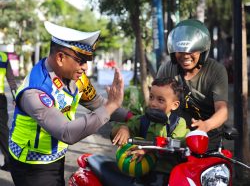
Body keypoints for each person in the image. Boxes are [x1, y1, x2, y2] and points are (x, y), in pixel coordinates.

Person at [8, 21, 129, 186]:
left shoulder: (76, 77)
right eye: (81, 60)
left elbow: (96, 102)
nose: (85, 67)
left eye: (88, 60)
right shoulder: (35, 92)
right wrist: (111, 106)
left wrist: (132, 117)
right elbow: (66, 132)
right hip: (31, 166)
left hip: (55, 157)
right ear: (60, 58)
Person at [156, 19, 228, 148]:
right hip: (173, 136)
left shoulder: (216, 71)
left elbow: (222, 110)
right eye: (180, 51)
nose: (186, 56)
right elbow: (155, 102)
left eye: (192, 51)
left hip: (207, 136)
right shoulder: (167, 69)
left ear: (202, 51)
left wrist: (206, 125)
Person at [111, 77, 190, 185]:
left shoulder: (178, 123)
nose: (153, 103)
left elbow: (177, 142)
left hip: (168, 175)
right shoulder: (143, 120)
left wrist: (149, 148)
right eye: (151, 97)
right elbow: (120, 128)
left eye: (160, 100)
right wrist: (123, 129)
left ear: (174, 105)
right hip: (141, 172)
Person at [0, 51, 17, 171]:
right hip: (0, 98)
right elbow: (11, 79)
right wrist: (15, 96)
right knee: (3, 130)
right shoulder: (4, 56)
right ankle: (9, 161)